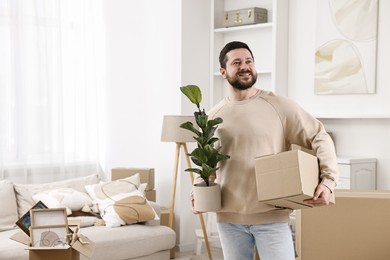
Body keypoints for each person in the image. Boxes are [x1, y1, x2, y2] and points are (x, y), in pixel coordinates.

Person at [191, 41, 339, 260]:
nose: (245, 66)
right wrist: (198, 190)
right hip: (229, 220)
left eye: (249, 61)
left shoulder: (279, 106)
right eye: (237, 62)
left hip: (272, 217)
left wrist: (328, 181)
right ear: (223, 72)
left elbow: (319, 135)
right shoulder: (212, 116)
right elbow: (207, 166)